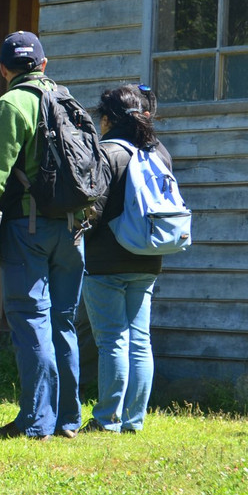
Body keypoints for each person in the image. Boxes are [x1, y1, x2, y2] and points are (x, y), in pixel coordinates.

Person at [0, 30, 84, 440]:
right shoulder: (69, 101)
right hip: (73, 229)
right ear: (44, 64)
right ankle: (68, 419)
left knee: (31, 321)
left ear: (4, 69)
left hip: (27, 227)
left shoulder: (10, 103)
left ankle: (37, 422)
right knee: (63, 322)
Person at [81, 84, 171, 434]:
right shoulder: (158, 152)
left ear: (106, 119)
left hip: (106, 261)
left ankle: (106, 419)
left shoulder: (108, 153)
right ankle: (133, 421)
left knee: (112, 341)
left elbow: (94, 209)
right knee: (140, 339)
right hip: (148, 258)